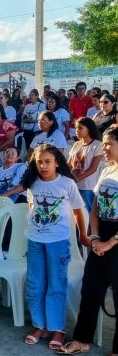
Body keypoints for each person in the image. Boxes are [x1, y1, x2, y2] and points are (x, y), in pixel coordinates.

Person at [57, 126, 118, 356]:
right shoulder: (106, 169)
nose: (105, 148)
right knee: (91, 289)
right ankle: (82, 339)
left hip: (115, 239)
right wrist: (94, 236)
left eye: (109, 144)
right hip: (99, 233)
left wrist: (110, 243)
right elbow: (94, 205)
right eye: (103, 144)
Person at [20, 144, 88, 350]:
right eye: (39, 162)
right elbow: (32, 207)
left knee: (56, 284)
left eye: (48, 161)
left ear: (57, 162)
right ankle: (40, 325)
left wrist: (83, 235)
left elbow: (78, 211)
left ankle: (57, 328)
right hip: (35, 240)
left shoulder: (67, 184)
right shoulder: (33, 183)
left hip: (58, 242)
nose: (43, 165)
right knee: (35, 283)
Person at [67, 117, 103, 213]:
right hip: (73, 186)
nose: (76, 131)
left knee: (86, 214)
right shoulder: (76, 144)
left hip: (87, 186)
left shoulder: (97, 145)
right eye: (76, 128)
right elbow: (69, 164)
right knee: (75, 213)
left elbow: (93, 168)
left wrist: (77, 179)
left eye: (80, 128)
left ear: (89, 129)